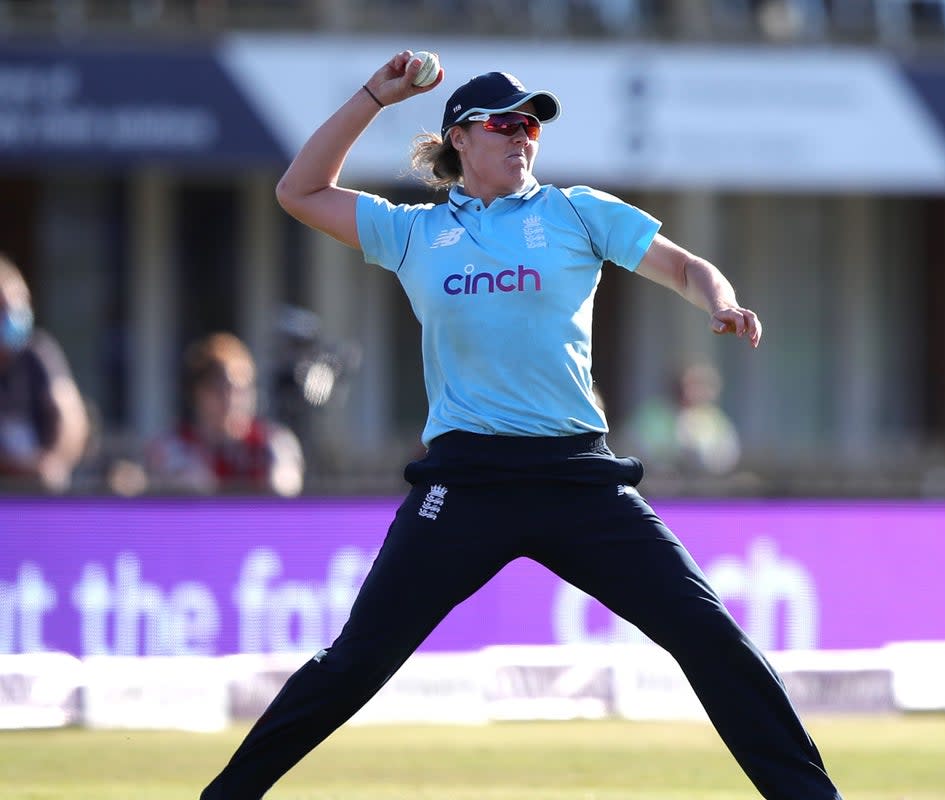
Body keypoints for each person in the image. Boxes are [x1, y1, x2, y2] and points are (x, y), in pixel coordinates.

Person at [199, 53, 841, 800]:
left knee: (712, 639)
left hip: (578, 481)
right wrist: (377, 96)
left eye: (530, 123)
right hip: (464, 486)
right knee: (354, 666)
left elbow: (686, 266)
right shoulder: (414, 233)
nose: (522, 135)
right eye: (502, 123)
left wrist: (720, 301)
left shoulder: (574, 211)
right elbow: (299, 190)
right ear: (458, 141)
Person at [144, 331, 304, 497]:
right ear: (197, 392)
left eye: (242, 388)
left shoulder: (275, 443)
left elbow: (286, 492)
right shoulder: (169, 448)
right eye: (219, 388)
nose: (232, 399)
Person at [0, 255, 90, 492]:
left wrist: (52, 461)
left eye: (18, 304)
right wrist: (13, 466)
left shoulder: (37, 352)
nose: (12, 315)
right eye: (3, 308)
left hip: (36, 497)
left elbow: (70, 417)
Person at [629, 357, 742, 477]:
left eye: (699, 385)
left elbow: (727, 456)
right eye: (687, 385)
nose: (691, 391)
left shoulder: (715, 419)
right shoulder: (653, 415)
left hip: (703, 488)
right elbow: (637, 451)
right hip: (659, 487)